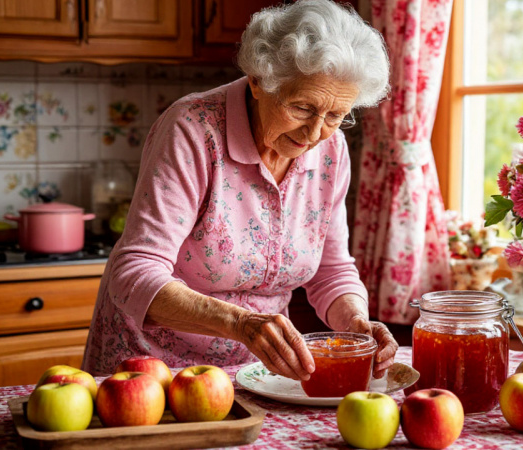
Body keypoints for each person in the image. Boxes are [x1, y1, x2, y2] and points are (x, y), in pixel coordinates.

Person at [82, 0, 397, 382]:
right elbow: (133, 273)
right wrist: (241, 323)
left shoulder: (331, 151)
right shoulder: (194, 130)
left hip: (254, 376)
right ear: (259, 81)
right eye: (301, 107)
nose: (315, 134)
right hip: (150, 372)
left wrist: (356, 323)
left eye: (334, 116)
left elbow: (331, 271)